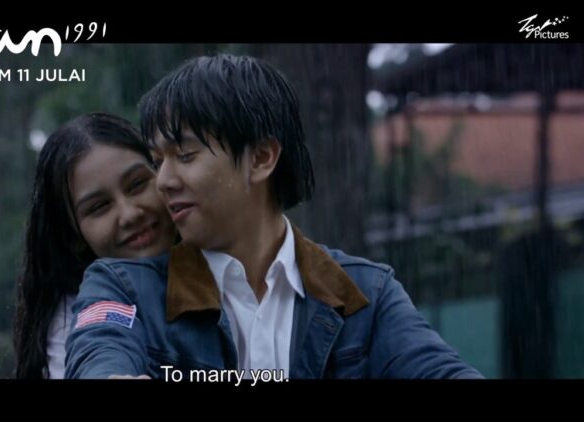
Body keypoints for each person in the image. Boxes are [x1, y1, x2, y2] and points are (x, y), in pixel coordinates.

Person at [65, 55, 483, 379]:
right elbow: (98, 351)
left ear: (262, 158)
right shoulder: (124, 287)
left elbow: (438, 369)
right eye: (158, 162)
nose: (164, 182)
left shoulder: (367, 294)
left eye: (185, 155)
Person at [14, 112, 177, 379]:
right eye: (99, 206)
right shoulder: (88, 308)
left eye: (137, 184)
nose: (129, 214)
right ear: (74, 236)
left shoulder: (220, 248)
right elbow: (101, 346)